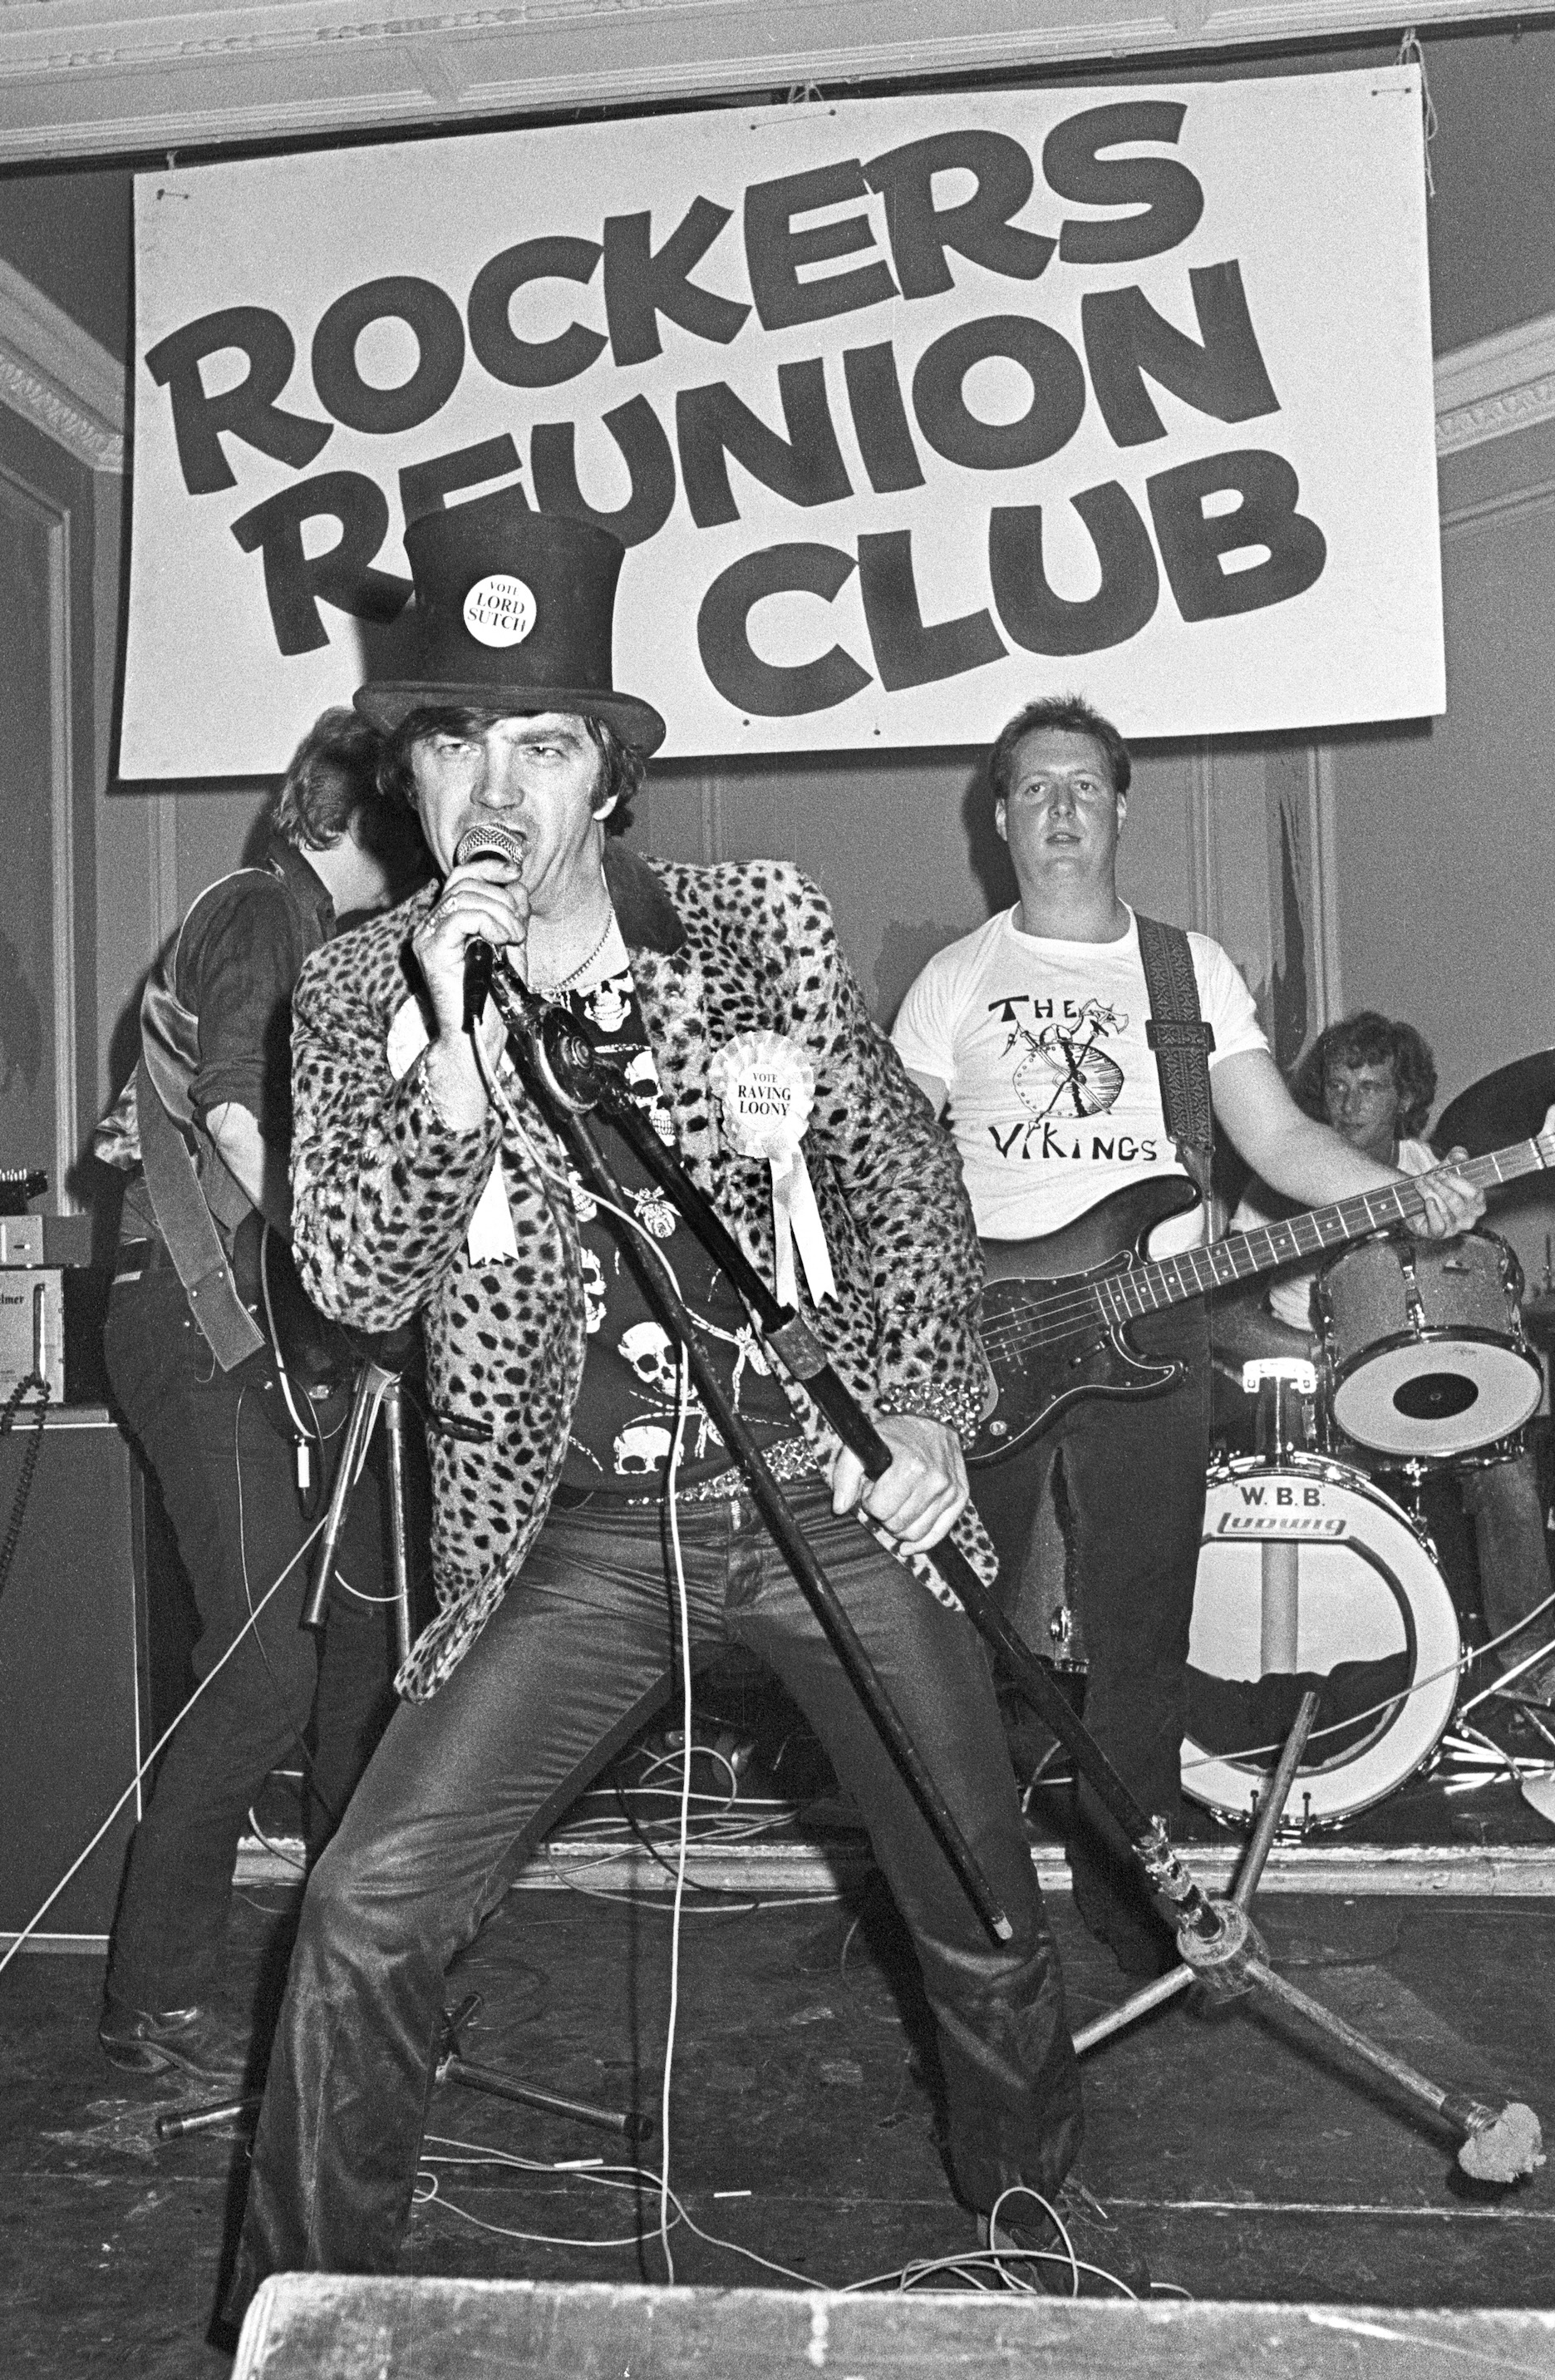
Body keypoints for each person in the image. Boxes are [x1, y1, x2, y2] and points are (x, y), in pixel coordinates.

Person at [227, 506, 1082, 2310]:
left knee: (984, 1905)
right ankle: (301, 2319)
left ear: (607, 776)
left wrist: (924, 1412)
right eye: (456, 742)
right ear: (408, 774)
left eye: (541, 745)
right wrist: (447, 1063)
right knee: (364, 1909)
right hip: (573, 1539)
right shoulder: (356, 991)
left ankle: (1032, 2247)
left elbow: (899, 1178)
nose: (494, 788)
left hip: (812, 1487)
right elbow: (358, 1285)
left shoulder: (750, 924)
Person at [891, 695, 1482, 1977]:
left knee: (1141, 1628)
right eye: (1034, 786)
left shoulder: (1189, 969)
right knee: (953, 1626)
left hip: (1152, 1327)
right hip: (977, 1333)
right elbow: (886, 1167)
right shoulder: (956, 978)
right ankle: (967, 1900)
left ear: (1119, 806)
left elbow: (1274, 1141)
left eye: (1085, 784)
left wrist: (1405, 1194)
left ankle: (1129, 1887)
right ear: (998, 818)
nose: (1060, 807)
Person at [92, 709, 431, 2087]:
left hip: (257, 1334)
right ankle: (152, 1995)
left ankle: (366, 1964)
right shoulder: (255, 912)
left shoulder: (323, 946)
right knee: (264, 1665)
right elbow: (237, 1106)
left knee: (357, 1642)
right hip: (197, 1330)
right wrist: (352, 1270)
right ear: (355, 811)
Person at [1217, 1011, 1555, 1681]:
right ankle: (1356, 1674)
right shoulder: (1281, 1184)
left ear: (1405, 1098)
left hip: (1424, 1377)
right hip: (1318, 1394)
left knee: (1509, 1459)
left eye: (1368, 1087)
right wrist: (1314, 1357)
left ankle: (1530, 1668)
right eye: (1338, 1087)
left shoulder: (1433, 1173)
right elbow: (1218, 1319)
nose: (1347, 1105)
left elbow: (1481, 1295)